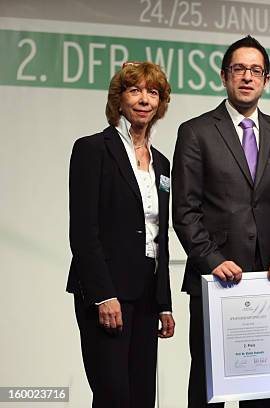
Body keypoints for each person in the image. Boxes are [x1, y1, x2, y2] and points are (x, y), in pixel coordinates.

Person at [172, 35, 270, 408]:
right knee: (208, 385)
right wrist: (212, 260)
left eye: (255, 70)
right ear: (224, 76)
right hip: (214, 280)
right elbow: (185, 210)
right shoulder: (196, 132)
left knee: (262, 388)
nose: (247, 77)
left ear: (266, 79)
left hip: (267, 278)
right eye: (239, 69)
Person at [67, 62, 175, 407]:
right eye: (135, 90)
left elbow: (160, 236)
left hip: (146, 294)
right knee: (114, 396)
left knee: (143, 397)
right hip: (107, 293)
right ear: (119, 99)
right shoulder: (92, 149)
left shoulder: (163, 163)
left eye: (153, 92)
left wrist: (164, 302)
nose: (144, 99)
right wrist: (102, 295)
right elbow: (83, 232)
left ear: (160, 103)